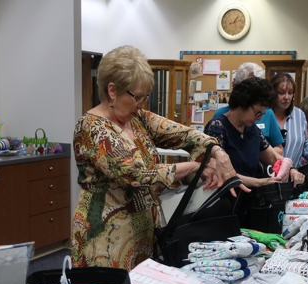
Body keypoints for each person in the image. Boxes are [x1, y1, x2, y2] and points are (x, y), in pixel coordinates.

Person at [71, 45, 245, 271]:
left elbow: (184, 134)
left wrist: (217, 152)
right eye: (137, 97)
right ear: (112, 91)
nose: (141, 104)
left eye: (145, 97)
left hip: (142, 236)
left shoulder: (136, 118)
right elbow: (137, 175)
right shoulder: (92, 129)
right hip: (104, 242)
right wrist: (192, 167)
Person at [204, 77, 304, 188]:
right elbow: (218, 172)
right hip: (225, 198)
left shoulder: (250, 129)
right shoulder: (217, 128)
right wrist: (259, 182)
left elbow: (273, 157)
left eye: (262, 114)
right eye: (257, 113)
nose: (260, 118)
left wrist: (291, 170)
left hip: (250, 198)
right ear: (242, 104)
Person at [213, 62, 285, 154]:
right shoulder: (219, 117)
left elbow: (278, 149)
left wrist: (254, 155)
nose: (259, 117)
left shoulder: (267, 113)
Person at [271, 75, 308, 174]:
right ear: (273, 93)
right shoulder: (264, 115)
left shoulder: (299, 115)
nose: (287, 97)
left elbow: (305, 144)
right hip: (268, 177)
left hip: (294, 177)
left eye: (290, 93)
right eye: (282, 93)